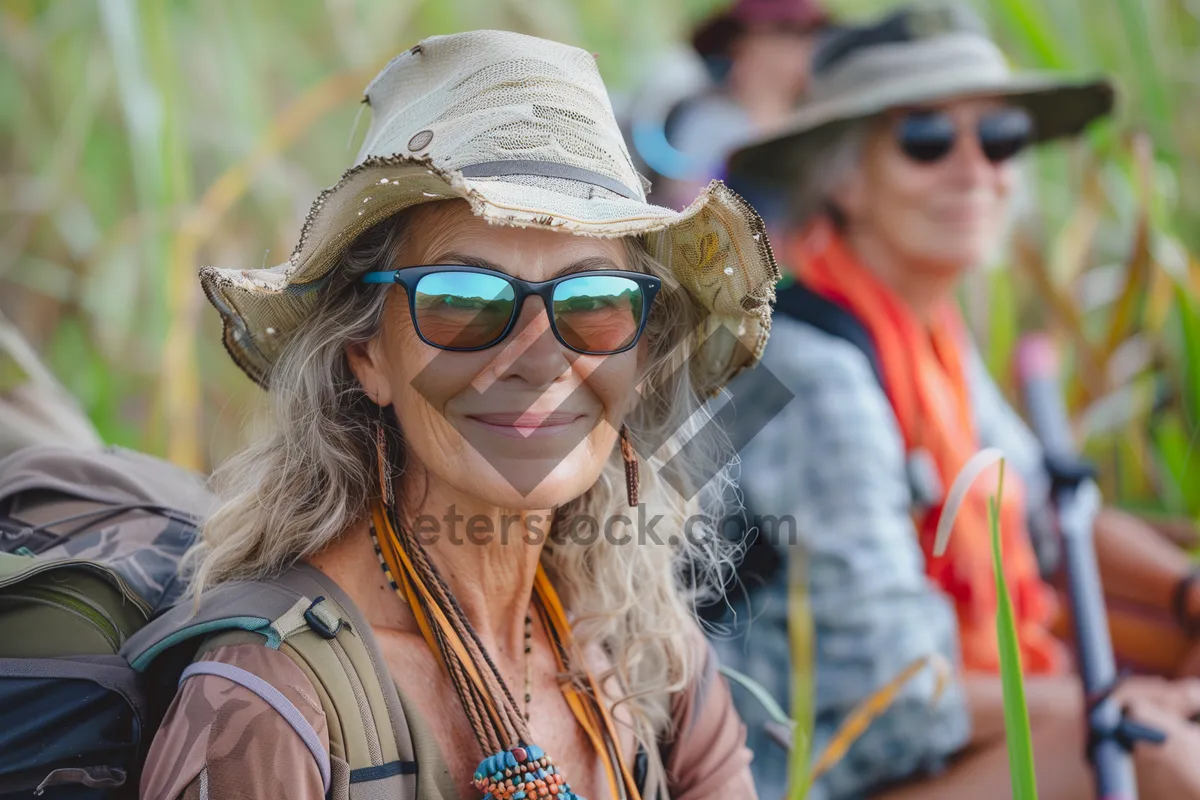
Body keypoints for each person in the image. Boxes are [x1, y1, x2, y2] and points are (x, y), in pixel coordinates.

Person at [139, 30, 782, 800]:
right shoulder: (272, 701)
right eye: (465, 302)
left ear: (640, 363)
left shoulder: (647, 653)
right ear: (367, 354)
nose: (540, 360)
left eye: (594, 304)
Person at [714, 4, 1200, 799]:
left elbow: (1046, 512)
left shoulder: (922, 336)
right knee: (1152, 753)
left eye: (1000, 136)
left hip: (917, 724)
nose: (974, 168)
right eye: (926, 141)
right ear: (845, 179)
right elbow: (894, 697)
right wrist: (1127, 701)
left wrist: (1187, 592)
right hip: (793, 769)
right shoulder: (814, 371)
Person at [624, 0, 830, 214]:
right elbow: (687, 212)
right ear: (745, 43)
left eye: (813, 34)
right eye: (795, 33)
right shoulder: (708, 122)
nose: (810, 46)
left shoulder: (820, 118)